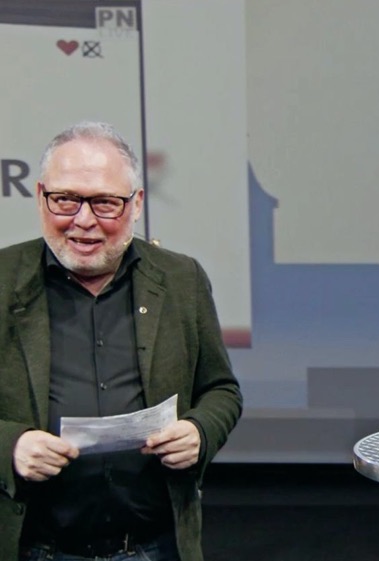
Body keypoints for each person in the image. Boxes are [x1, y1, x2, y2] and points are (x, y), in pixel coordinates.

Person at [0, 121, 243, 561]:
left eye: (105, 203)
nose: (84, 220)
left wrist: (200, 431)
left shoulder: (181, 279)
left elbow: (221, 389)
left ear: (136, 204)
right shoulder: (2, 280)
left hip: (155, 548)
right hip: (36, 548)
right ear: (39, 196)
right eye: (65, 199)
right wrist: (10, 446)